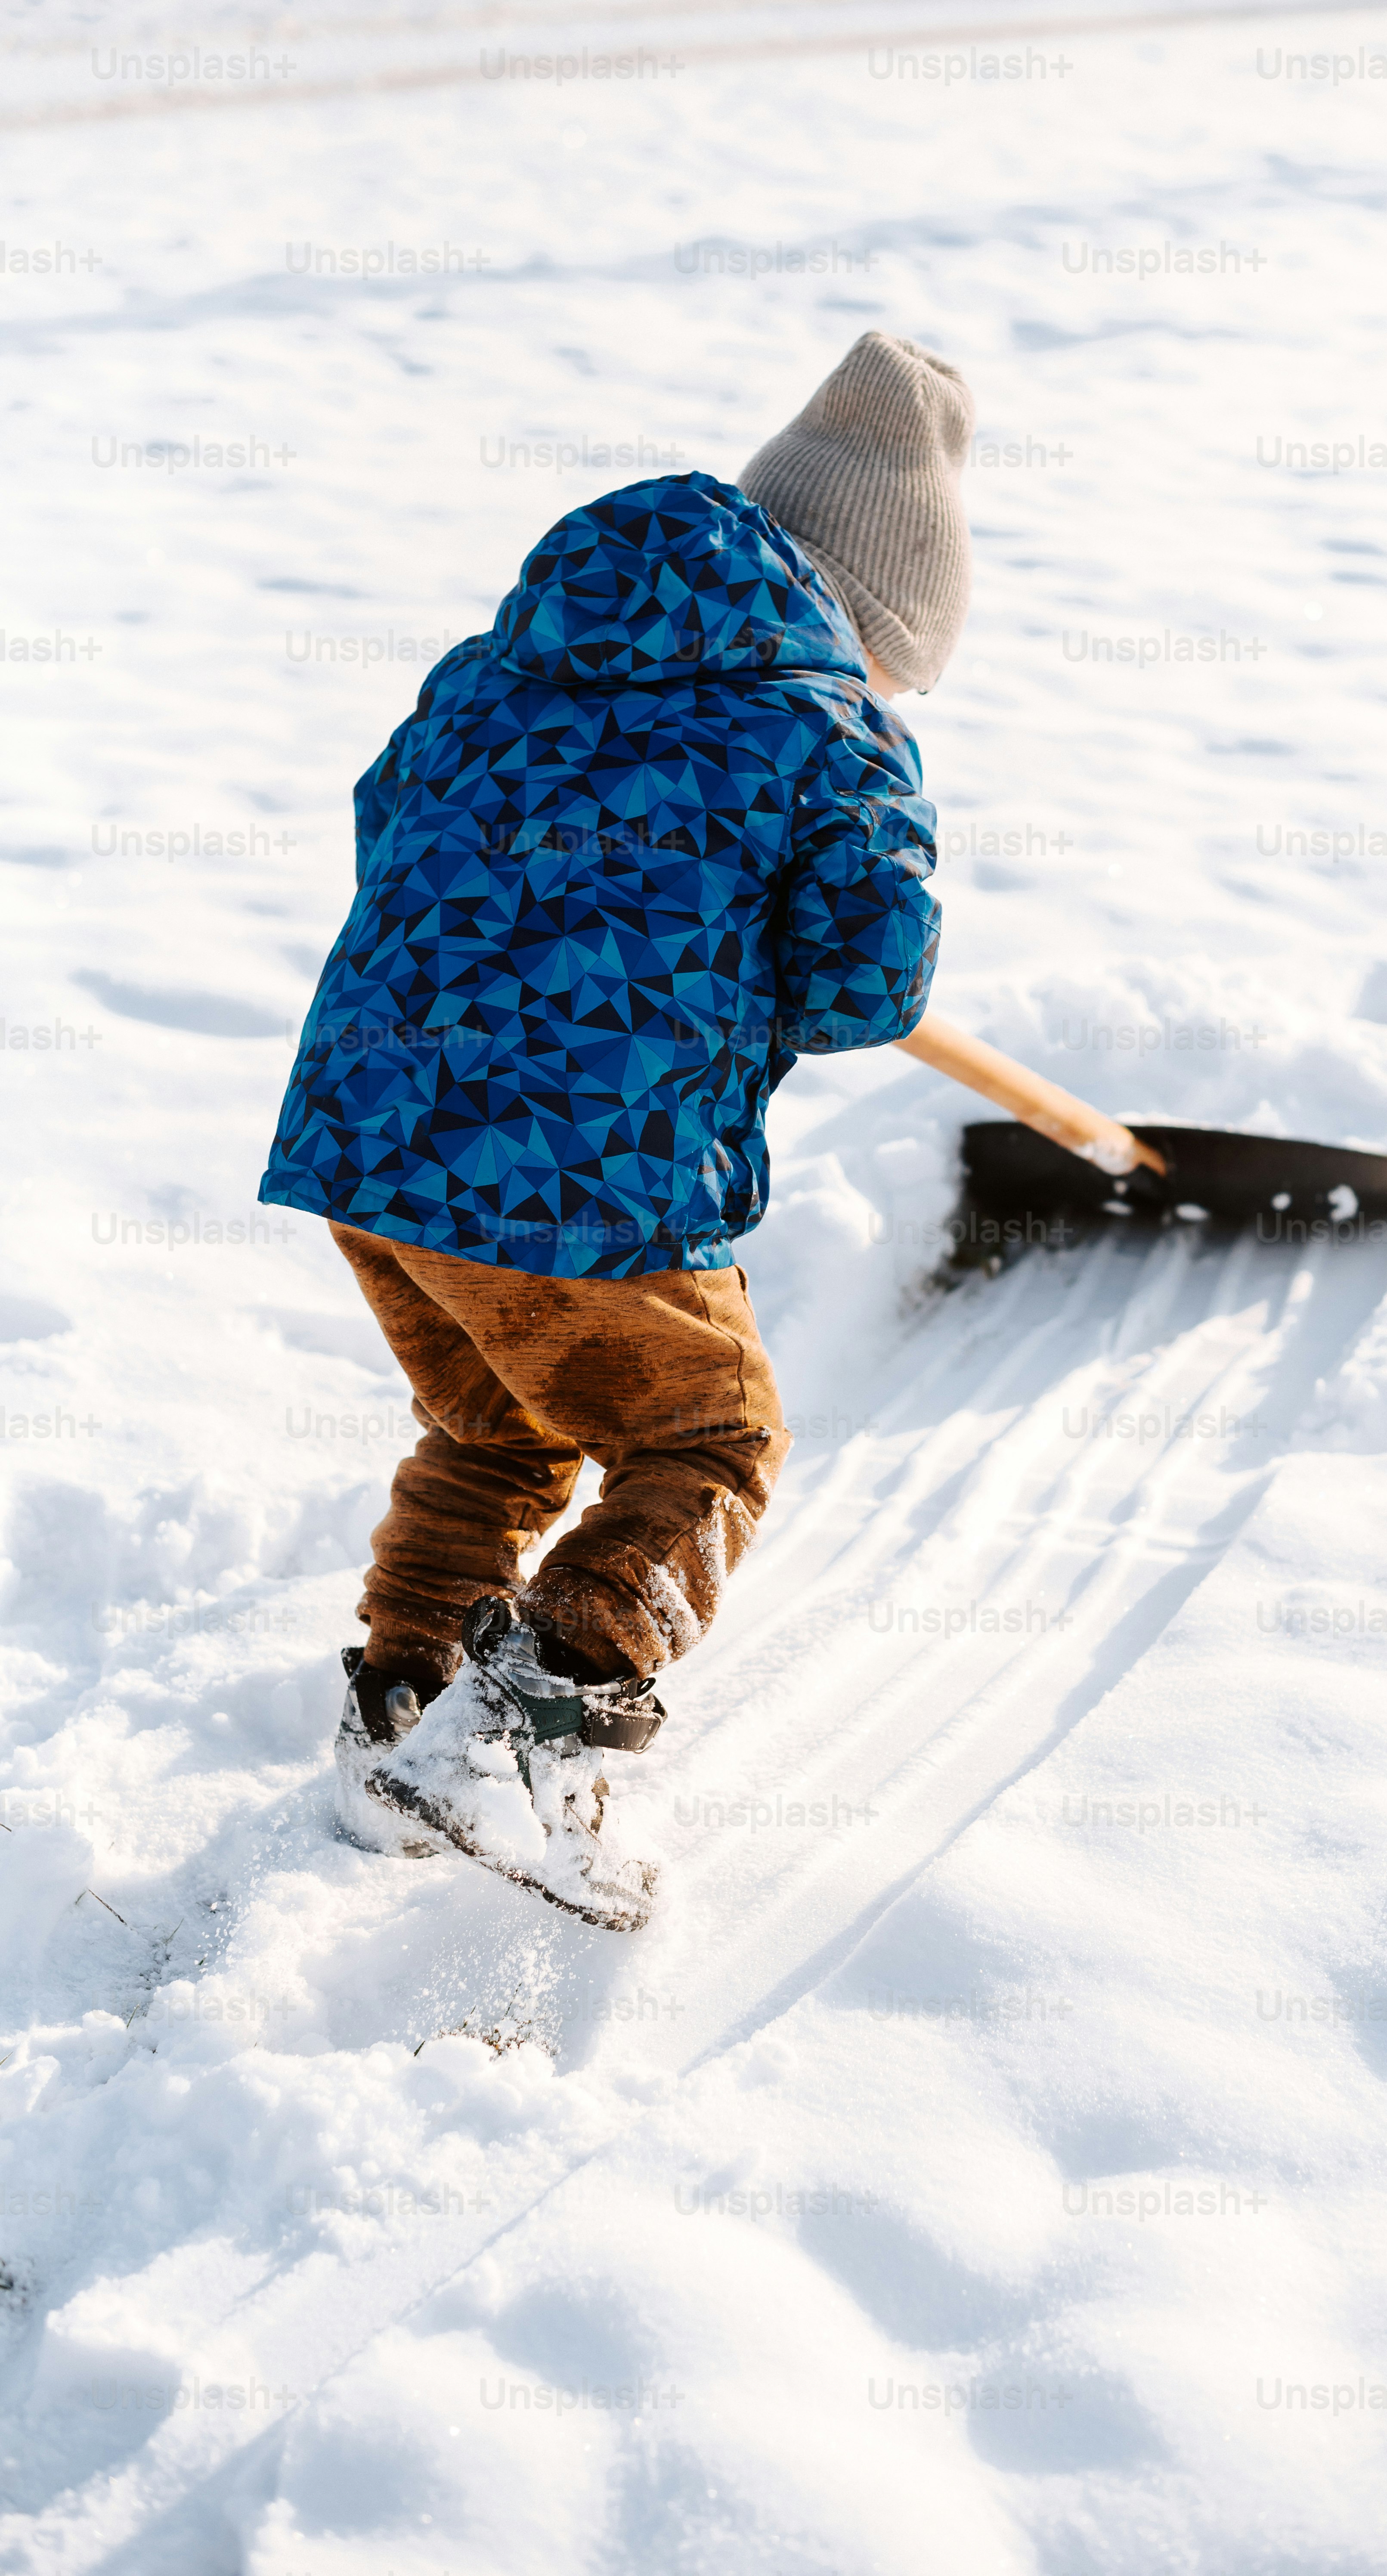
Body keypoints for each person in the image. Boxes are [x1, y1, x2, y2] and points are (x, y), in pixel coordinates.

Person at [257, 332, 974, 1916]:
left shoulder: (501, 658)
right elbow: (868, 981)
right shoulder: (833, 733)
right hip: (588, 1172)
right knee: (704, 1440)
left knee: (499, 1423)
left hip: (366, 1126)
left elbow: (388, 817)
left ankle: (401, 1713)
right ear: (873, 619)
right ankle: (522, 1740)